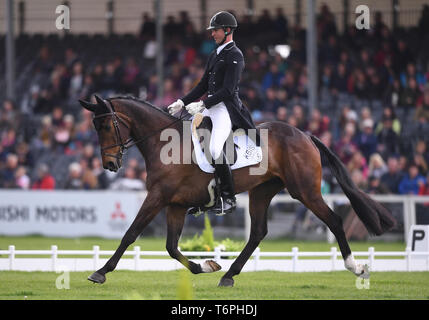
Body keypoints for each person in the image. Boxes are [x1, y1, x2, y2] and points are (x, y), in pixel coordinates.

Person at [167, 11, 257, 215]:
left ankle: (228, 198)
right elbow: (202, 85)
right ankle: (204, 196)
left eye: (215, 30)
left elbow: (227, 90)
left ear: (227, 30)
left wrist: (202, 105)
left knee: (215, 150)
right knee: (190, 144)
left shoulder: (235, 55)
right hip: (209, 107)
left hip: (226, 109)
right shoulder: (215, 54)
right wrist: (182, 102)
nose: (212, 34)